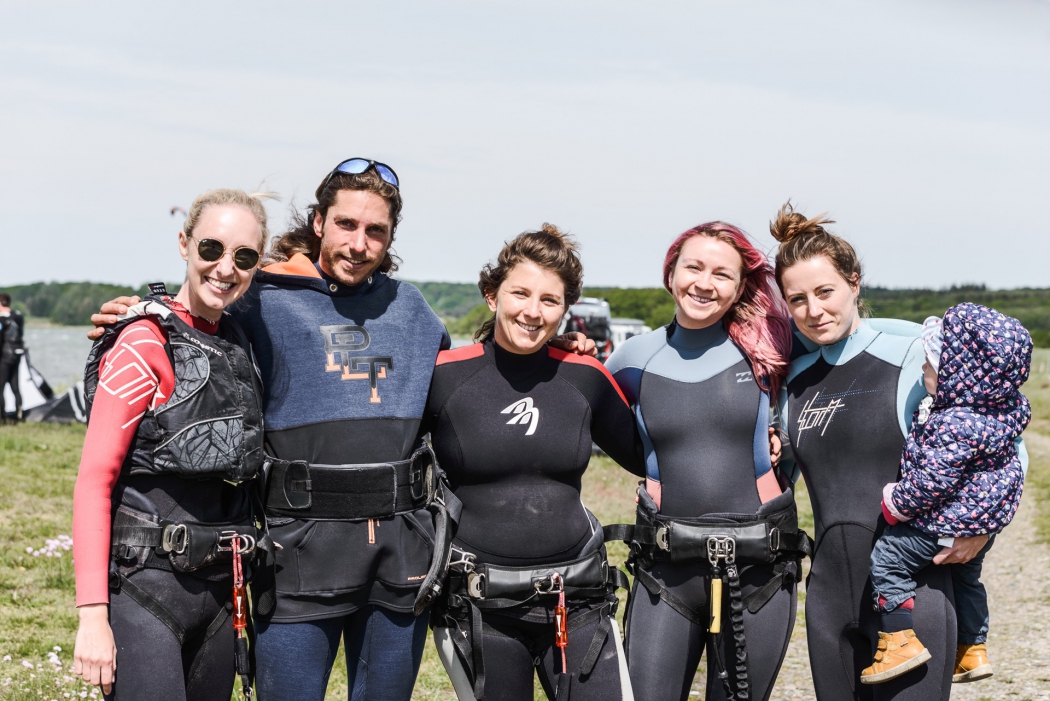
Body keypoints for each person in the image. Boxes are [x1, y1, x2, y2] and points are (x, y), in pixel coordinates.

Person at [89, 159, 594, 701]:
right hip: (296, 555)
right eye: (346, 225)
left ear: (390, 237)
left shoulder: (413, 310)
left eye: (375, 230)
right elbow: (203, 311)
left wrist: (555, 350)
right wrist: (145, 313)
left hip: (399, 558)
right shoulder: (262, 299)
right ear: (319, 223)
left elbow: (475, 374)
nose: (359, 242)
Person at [772, 202, 1025, 700]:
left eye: (825, 292)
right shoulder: (792, 382)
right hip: (827, 600)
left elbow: (1006, 444)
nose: (813, 310)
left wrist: (982, 527)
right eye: (796, 299)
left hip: (915, 595)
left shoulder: (912, 356)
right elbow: (776, 474)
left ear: (854, 282)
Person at [426, 224, 645, 701]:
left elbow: (654, 455)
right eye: (520, 293)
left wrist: (762, 439)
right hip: (478, 606)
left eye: (550, 300)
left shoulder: (584, 377)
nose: (532, 311)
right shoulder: (444, 377)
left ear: (566, 310)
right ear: (491, 295)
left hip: (578, 600)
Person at [72, 189, 272, 700]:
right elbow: (95, 481)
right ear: (184, 243)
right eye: (211, 249)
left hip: (221, 596)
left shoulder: (239, 340)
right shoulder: (143, 340)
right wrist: (92, 618)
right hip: (145, 591)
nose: (225, 268)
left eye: (244, 257)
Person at [603, 223, 811, 701]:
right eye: (693, 267)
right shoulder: (633, 359)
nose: (704, 282)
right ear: (670, 273)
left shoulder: (771, 349)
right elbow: (586, 408)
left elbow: (848, 346)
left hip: (759, 569)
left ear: (740, 287)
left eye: (722, 274)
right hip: (665, 573)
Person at [861, 305, 1031, 685]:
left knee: (888, 560)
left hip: (946, 522)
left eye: (930, 366)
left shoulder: (952, 423)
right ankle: (972, 650)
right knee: (969, 582)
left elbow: (931, 482)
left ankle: (898, 640)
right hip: (982, 524)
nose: (923, 373)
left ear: (959, 376)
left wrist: (895, 504)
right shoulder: (1001, 411)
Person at [0, 293, 26, 424]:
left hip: (4, 356)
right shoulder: (18, 316)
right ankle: (19, 416)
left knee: (1, 387)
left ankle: (2, 418)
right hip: (17, 354)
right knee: (15, 386)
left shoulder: (1, 319)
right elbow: (20, 334)